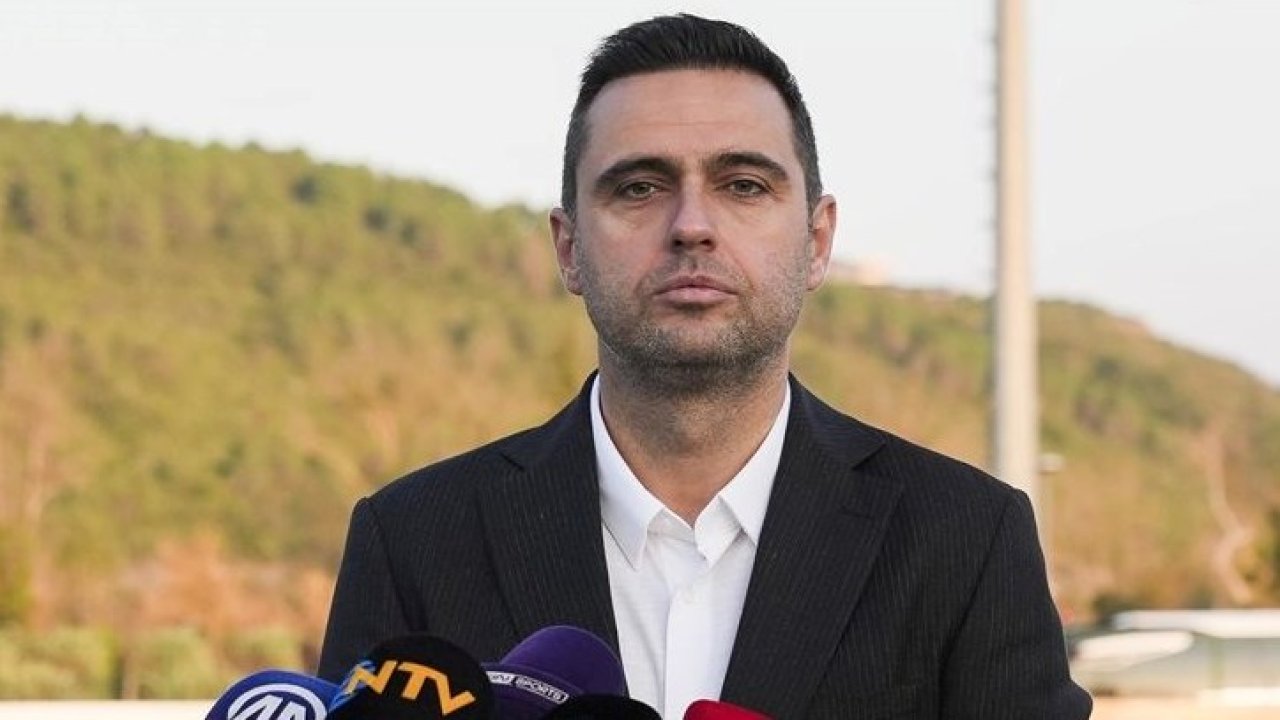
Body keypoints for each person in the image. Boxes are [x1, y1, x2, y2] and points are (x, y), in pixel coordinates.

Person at [318, 14, 1092, 719]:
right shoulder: (414, 539)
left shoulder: (965, 537)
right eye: (640, 187)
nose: (691, 225)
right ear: (569, 248)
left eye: (744, 185)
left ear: (818, 241)